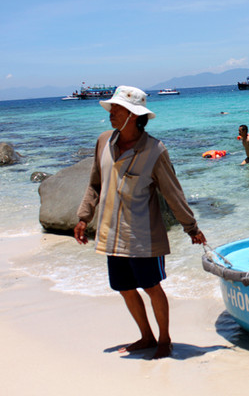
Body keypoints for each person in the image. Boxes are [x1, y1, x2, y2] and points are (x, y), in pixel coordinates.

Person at [74, 85, 206, 359]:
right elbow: (95, 183)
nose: (111, 114)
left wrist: (191, 227)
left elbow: (173, 193)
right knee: (123, 287)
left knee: (151, 287)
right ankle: (146, 336)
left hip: (143, 236)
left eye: (117, 110)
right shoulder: (103, 142)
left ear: (133, 115)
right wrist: (83, 217)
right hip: (111, 232)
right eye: (112, 108)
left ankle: (164, 340)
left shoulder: (155, 150)